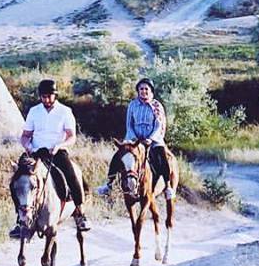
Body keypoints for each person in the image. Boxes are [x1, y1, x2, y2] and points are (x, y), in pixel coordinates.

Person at [10, 78, 90, 238]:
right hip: (36, 152)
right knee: (17, 181)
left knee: (71, 176)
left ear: (55, 95)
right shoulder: (34, 111)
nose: (46, 99)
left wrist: (60, 145)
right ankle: (20, 220)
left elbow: (71, 136)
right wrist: (28, 146)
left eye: (49, 96)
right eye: (43, 96)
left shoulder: (65, 111)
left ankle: (80, 213)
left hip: (56, 151)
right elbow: (25, 135)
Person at [98, 77, 175, 198]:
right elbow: (129, 124)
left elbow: (159, 124)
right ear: (138, 91)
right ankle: (109, 184)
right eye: (141, 89)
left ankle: (168, 186)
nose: (143, 91)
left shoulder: (157, 106)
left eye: (146, 89)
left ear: (151, 91)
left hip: (152, 139)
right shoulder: (133, 105)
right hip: (135, 139)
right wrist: (134, 139)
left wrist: (150, 139)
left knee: (162, 156)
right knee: (119, 155)